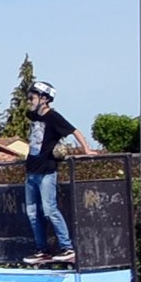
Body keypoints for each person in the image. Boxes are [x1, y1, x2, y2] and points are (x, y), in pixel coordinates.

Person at [21, 81, 94, 265]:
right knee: (32, 213)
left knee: (50, 210)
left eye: (32, 97)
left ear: (44, 99)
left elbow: (74, 130)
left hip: (46, 172)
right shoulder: (32, 115)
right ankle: (41, 250)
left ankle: (67, 248)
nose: (29, 100)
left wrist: (85, 149)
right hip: (31, 171)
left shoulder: (54, 117)